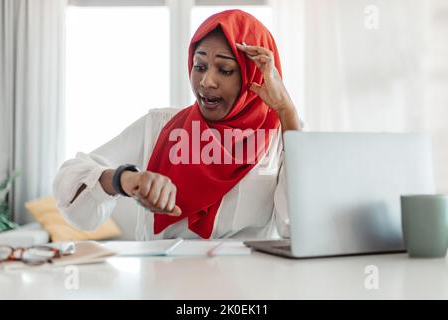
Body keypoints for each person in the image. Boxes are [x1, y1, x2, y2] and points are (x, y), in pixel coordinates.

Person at [53, 9, 302, 240]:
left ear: (252, 77)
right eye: (200, 66)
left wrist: (287, 111)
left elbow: (295, 226)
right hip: (162, 280)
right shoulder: (161, 125)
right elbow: (70, 184)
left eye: (225, 70)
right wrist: (123, 180)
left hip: (250, 282)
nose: (206, 81)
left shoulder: (279, 136)